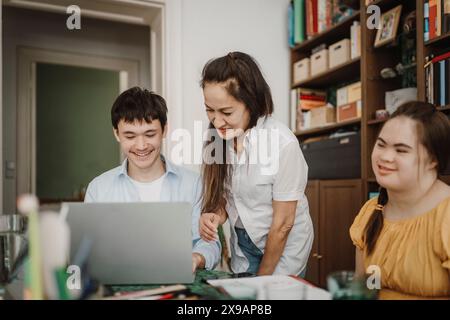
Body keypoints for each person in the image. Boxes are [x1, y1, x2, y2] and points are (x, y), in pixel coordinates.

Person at [198, 52, 313, 276]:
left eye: (226, 112)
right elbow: (229, 196)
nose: (216, 121)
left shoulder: (283, 144)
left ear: (251, 102)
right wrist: (216, 215)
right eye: (209, 110)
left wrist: (263, 278)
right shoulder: (220, 139)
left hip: (283, 247)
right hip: (243, 242)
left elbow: (283, 225)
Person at [84, 87, 220, 272]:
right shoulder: (99, 189)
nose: (141, 146)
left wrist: (196, 258)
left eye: (150, 134)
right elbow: (86, 252)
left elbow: (209, 243)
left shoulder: (194, 184)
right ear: (116, 134)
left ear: (164, 130)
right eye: (130, 136)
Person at [350, 101, 450, 299]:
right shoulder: (371, 211)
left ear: (433, 160)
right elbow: (363, 289)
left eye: (401, 150)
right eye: (381, 144)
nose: (385, 157)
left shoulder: (446, 215)